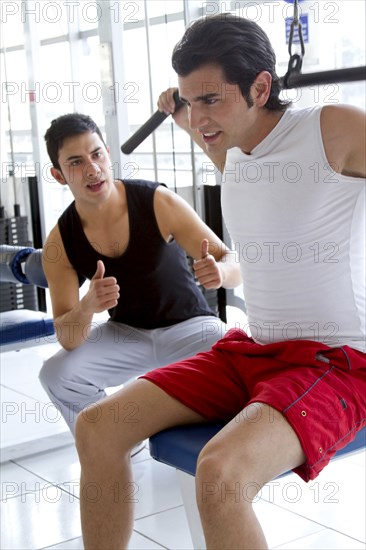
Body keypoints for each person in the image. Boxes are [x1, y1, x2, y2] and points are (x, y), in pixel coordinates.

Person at [75, 14, 366, 550]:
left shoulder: (335, 128)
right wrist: (187, 108)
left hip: (340, 362)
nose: (199, 118)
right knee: (96, 426)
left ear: (261, 86)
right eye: (190, 101)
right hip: (254, 351)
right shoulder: (228, 147)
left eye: (211, 99)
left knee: (221, 474)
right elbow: (207, 128)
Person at [39, 112, 241, 436]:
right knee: (56, 373)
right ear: (59, 175)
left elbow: (232, 260)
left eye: (96, 154)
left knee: (235, 352)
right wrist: (87, 306)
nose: (92, 169)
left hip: (189, 328)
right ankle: (113, 444)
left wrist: (221, 272)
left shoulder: (156, 201)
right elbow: (67, 336)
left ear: (107, 153)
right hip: (126, 334)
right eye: (75, 162)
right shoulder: (60, 241)